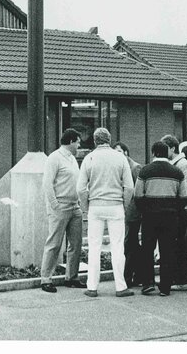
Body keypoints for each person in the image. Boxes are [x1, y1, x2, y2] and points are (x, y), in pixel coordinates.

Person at [77, 127, 135, 298]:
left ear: (95, 141)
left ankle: (92, 287)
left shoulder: (89, 158)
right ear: (109, 140)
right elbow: (129, 186)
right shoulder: (120, 158)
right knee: (118, 247)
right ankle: (120, 286)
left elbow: (80, 188)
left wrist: (86, 207)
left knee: (94, 247)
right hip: (115, 205)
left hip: (95, 206)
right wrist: (124, 204)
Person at [134, 140, 187, 296]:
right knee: (167, 251)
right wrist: (175, 210)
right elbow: (184, 197)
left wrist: (145, 210)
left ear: (153, 153)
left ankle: (147, 283)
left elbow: (137, 195)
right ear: (167, 153)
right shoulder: (177, 172)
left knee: (147, 249)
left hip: (150, 217)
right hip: (170, 217)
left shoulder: (145, 171)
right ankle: (165, 286)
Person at [40, 128, 85, 293]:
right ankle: (46, 279)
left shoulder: (73, 159)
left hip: (75, 207)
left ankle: (71, 277)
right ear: (71, 141)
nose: (79, 145)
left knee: (76, 244)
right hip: (60, 207)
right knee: (54, 243)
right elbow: (47, 183)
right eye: (78, 142)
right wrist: (54, 204)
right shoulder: (54, 158)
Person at [162, 134, 187, 291]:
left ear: (172, 148)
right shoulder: (179, 163)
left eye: (165, 148)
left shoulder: (181, 165)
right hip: (180, 209)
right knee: (178, 243)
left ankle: (182, 280)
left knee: (180, 244)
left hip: (180, 210)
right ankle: (179, 278)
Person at [116, 142, 146, 288]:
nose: (117, 154)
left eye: (120, 151)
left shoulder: (135, 167)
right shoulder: (119, 167)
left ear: (126, 152)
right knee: (130, 244)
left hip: (133, 212)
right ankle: (137, 274)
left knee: (129, 243)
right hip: (124, 211)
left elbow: (137, 191)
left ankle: (130, 276)